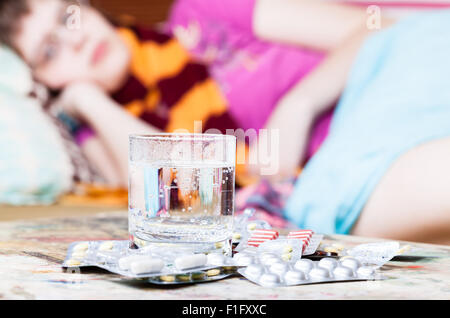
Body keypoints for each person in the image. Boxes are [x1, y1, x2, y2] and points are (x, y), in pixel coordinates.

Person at [2, 0, 449, 243]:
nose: (75, 39)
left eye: (68, 15)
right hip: (356, 161)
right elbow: (180, 192)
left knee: (318, 208)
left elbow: (379, 26)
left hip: (405, 69)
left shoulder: (200, 12)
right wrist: (86, 100)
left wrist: (299, 103)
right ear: (40, 81)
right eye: (50, 50)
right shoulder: (101, 132)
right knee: (313, 212)